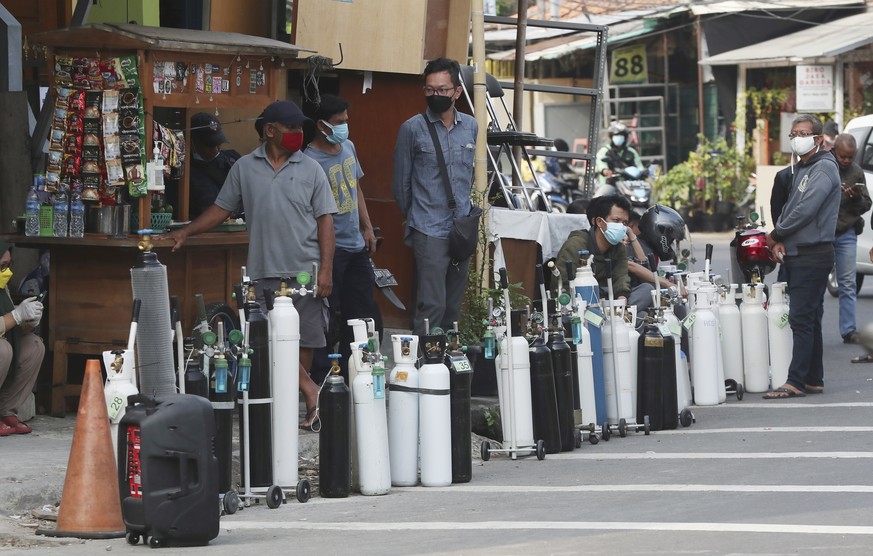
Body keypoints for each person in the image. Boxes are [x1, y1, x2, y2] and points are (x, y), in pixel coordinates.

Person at [163, 100, 337, 429]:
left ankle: (297, 407)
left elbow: (326, 222)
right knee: (269, 339)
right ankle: (309, 391)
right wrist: (185, 232)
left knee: (305, 341)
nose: (299, 135)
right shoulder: (243, 167)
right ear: (270, 131)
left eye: (301, 129)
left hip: (306, 271)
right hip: (263, 271)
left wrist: (326, 270)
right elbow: (221, 209)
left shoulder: (311, 168)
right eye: (292, 129)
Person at [392, 57, 478, 335]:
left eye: (442, 90)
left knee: (453, 307)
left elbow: (469, 176)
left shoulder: (471, 126)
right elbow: (401, 185)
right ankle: (423, 365)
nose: (435, 95)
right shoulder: (412, 128)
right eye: (429, 90)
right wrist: (417, 218)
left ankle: (449, 364)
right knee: (432, 305)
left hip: (461, 228)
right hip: (428, 228)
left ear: (457, 92)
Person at [764, 114, 841, 399]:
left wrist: (777, 234)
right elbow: (789, 206)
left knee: (800, 318)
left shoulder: (823, 169)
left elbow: (805, 211)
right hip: (802, 252)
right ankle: (812, 378)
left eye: (804, 133)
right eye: (794, 134)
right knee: (810, 317)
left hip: (813, 253)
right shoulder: (804, 168)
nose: (798, 138)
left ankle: (795, 380)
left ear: (819, 139)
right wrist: (781, 236)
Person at [303, 94, 379, 376]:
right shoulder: (309, 161)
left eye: (346, 121)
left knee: (361, 312)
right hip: (328, 251)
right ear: (322, 125)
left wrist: (367, 227)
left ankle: (355, 369)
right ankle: (322, 375)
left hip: (356, 246)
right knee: (325, 315)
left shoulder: (349, 147)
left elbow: (355, 188)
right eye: (339, 122)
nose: (345, 127)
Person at [555, 195, 652, 310]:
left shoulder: (619, 247)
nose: (621, 226)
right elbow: (563, 284)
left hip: (609, 300)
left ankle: (620, 314)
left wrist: (621, 299)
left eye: (625, 223)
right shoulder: (575, 244)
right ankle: (619, 316)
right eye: (616, 220)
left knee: (647, 290)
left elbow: (621, 277)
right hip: (581, 302)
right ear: (599, 222)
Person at [0, 242, 45, 436]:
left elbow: (13, 328)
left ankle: (6, 411)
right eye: (2, 265)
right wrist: (16, 315)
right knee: (2, 349)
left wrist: (29, 320)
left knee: (34, 346)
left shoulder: (2, 287)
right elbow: (10, 320)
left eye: (8, 266)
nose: (6, 271)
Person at [831, 133, 871, 345]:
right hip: (824, 232)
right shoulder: (825, 166)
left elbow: (867, 203)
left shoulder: (856, 171)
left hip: (847, 231)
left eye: (850, 157)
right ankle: (809, 329)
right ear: (834, 151)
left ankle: (848, 330)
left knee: (847, 282)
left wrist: (856, 197)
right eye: (842, 156)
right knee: (817, 283)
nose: (846, 161)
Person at [188, 112, 241, 219]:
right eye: (210, 145)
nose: (216, 150)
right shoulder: (184, 170)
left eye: (219, 143)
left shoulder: (232, 159)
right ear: (193, 142)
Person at [594, 121, 646, 197]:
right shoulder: (604, 151)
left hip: (629, 186)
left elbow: (639, 166)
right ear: (611, 137)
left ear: (625, 137)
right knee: (598, 199)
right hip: (610, 184)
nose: (619, 137)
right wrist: (605, 170)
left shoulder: (631, 151)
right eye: (616, 135)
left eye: (621, 135)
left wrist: (643, 172)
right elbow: (600, 164)